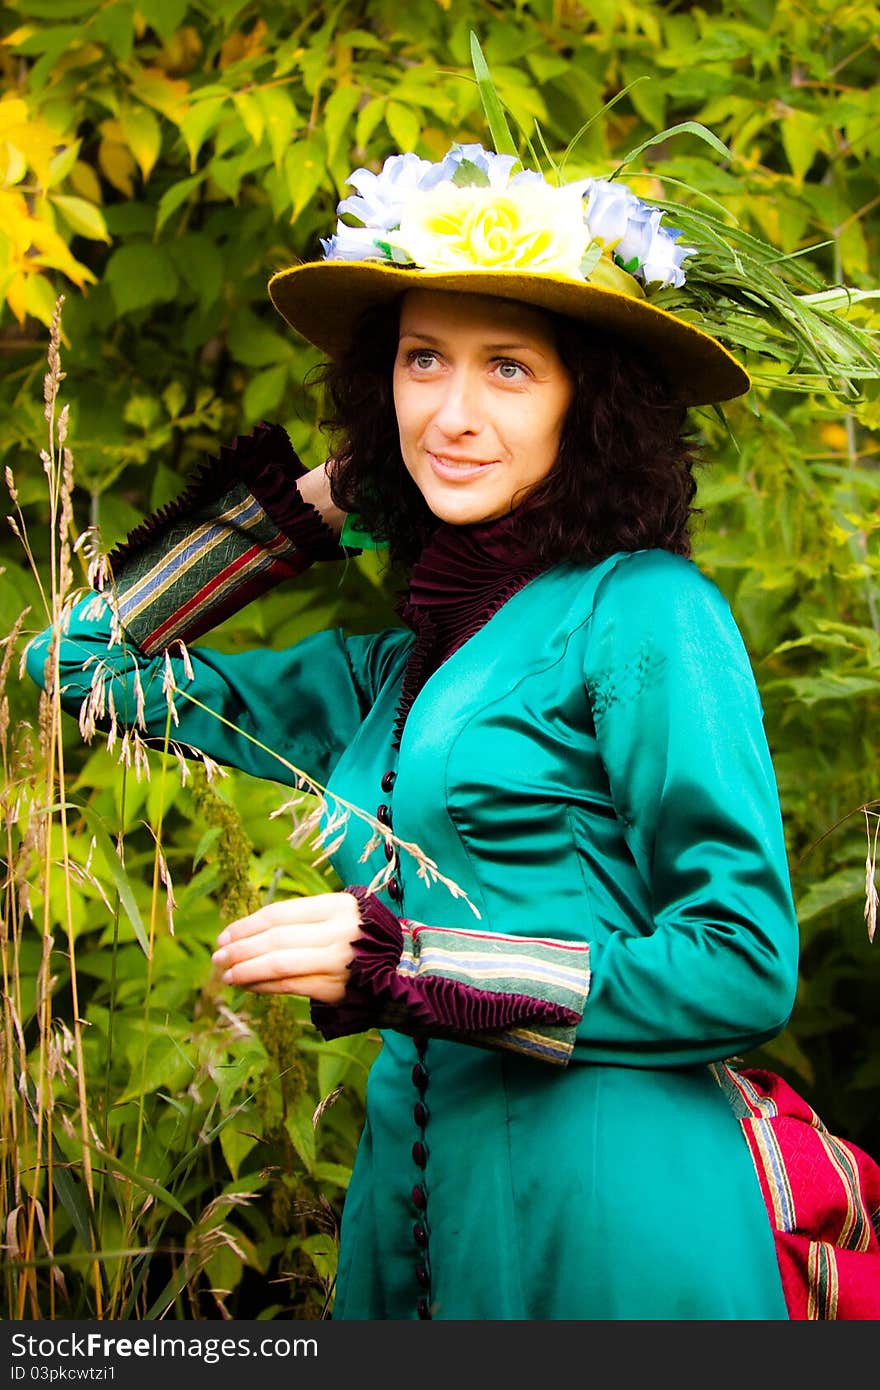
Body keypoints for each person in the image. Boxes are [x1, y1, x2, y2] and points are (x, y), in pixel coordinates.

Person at [27, 143, 880, 1320]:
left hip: (614, 1222)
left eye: (511, 370)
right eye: (422, 360)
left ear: (592, 403)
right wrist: (338, 488)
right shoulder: (391, 671)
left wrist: (407, 963)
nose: (455, 411)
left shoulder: (641, 611)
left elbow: (742, 962)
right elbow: (77, 664)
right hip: (414, 1220)